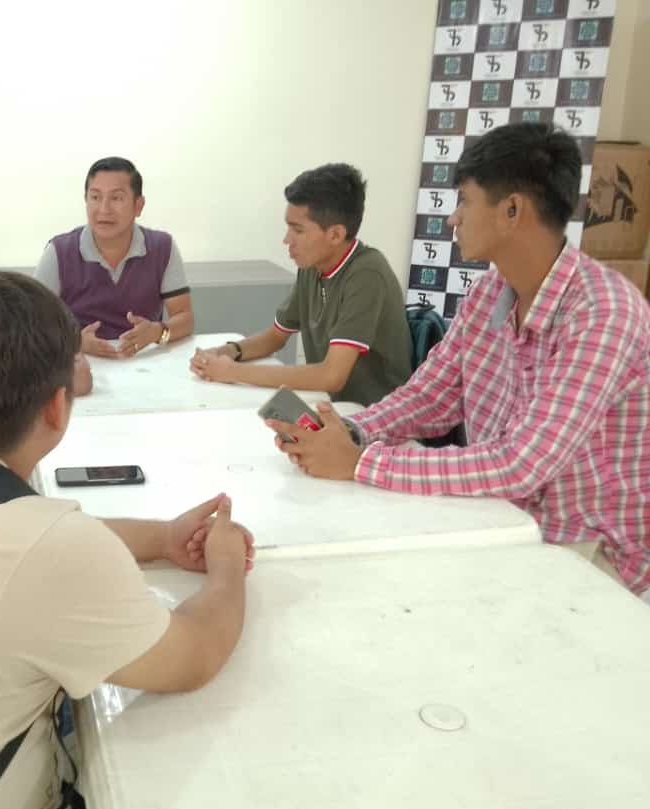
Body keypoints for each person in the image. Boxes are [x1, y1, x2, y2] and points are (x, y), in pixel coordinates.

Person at [0, 271, 251, 809]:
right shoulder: (46, 548)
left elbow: (22, 540)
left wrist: (164, 537)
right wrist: (227, 566)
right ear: (56, 406)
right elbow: (194, 656)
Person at [268, 123, 650, 599]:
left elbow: (522, 463)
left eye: (465, 201)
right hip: (500, 519)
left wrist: (362, 463)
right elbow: (430, 396)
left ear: (512, 210)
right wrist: (349, 433)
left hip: (587, 551)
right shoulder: (489, 294)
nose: (453, 219)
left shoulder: (604, 312)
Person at [190, 164, 411, 406]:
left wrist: (232, 372)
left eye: (297, 230)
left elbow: (331, 377)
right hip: (329, 405)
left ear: (335, 235)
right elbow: (276, 337)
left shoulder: (368, 274)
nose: (287, 240)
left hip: (373, 414)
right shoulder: (312, 266)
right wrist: (227, 352)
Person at [35, 156, 194, 359]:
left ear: (138, 206)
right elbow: (33, 324)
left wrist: (157, 332)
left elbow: (184, 317)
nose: (104, 209)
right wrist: (75, 342)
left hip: (144, 361)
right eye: (95, 197)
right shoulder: (59, 251)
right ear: (86, 201)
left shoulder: (162, 247)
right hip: (79, 363)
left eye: (116, 198)